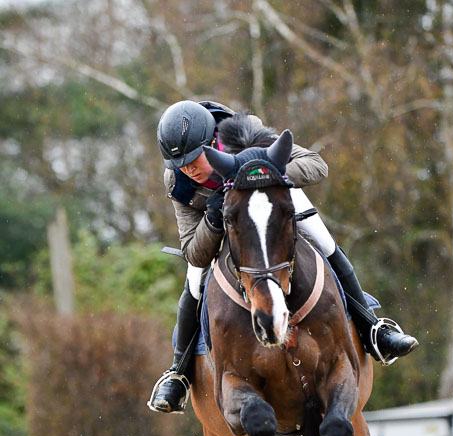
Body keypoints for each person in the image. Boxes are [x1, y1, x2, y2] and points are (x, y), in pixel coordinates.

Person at [148, 100, 418, 414]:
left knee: (326, 245)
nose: (187, 169)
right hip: (227, 228)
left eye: (193, 159)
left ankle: (374, 331)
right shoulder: (178, 181)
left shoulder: (243, 136)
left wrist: (263, 174)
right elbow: (193, 250)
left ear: (211, 144)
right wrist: (211, 219)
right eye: (178, 163)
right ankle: (178, 371)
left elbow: (317, 165)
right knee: (194, 284)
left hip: (272, 207)